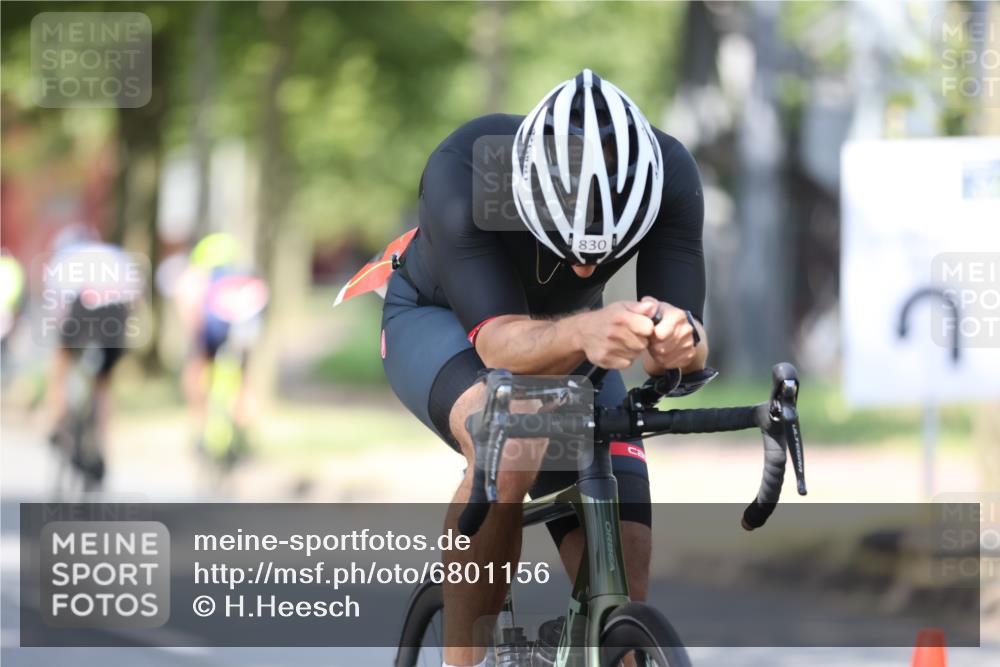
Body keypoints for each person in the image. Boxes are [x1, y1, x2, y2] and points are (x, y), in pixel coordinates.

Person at [377, 70, 708, 667]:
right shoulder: (468, 168)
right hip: (442, 320)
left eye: (605, 251)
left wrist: (682, 344)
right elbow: (499, 345)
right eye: (568, 244)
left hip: (571, 330)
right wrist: (586, 326)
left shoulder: (670, 176)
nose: (587, 269)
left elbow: (683, 346)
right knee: (514, 438)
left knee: (624, 561)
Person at [44, 224, 144, 483]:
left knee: (61, 360)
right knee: (104, 383)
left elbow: (58, 311)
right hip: (115, 311)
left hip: (82, 306)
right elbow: (135, 296)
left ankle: (57, 422)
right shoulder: (114, 255)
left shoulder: (64, 260)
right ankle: (101, 444)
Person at [176, 233, 268, 458]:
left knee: (195, 371)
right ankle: (246, 433)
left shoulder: (200, 275)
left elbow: (188, 306)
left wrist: (194, 337)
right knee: (245, 381)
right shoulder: (245, 276)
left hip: (212, 333)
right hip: (243, 334)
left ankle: (199, 428)